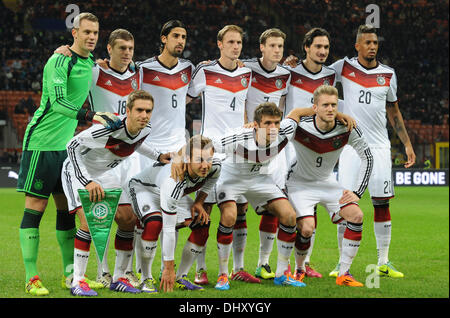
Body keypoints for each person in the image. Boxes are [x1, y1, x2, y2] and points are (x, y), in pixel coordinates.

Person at [16, 12, 121, 296]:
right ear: (74, 33)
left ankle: (69, 275)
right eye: (86, 31)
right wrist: (91, 115)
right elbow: (59, 102)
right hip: (42, 143)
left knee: (67, 211)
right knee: (35, 209)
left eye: (95, 33)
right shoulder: (59, 60)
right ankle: (31, 277)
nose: (91, 37)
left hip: (66, 148)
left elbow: (118, 67)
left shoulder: (90, 63)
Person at [54, 28, 142, 289]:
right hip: (92, 151)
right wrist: (63, 52)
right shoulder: (95, 71)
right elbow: (73, 70)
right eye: (121, 48)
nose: (126, 53)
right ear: (109, 49)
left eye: (130, 49)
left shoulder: (138, 75)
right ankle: (89, 276)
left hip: (121, 158)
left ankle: (118, 277)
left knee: (128, 218)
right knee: (93, 219)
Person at [61, 90, 170, 296]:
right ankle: (78, 281)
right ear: (127, 111)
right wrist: (87, 181)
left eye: (148, 111)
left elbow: (137, 143)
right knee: (88, 221)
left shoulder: (145, 128)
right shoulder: (109, 129)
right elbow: (72, 145)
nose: (144, 115)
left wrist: (158, 155)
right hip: (78, 171)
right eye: (139, 110)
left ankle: (119, 277)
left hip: (104, 173)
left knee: (128, 219)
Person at [330, 25, 416, 278]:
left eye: (375, 42)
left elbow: (394, 112)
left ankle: (384, 261)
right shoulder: (343, 67)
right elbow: (314, 73)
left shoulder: (388, 74)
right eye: (367, 42)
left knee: (381, 203)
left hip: (379, 147)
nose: (372, 46)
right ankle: (340, 263)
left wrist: (407, 144)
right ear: (357, 45)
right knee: (346, 204)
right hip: (350, 147)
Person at [186, 24, 256, 285]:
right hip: (210, 152)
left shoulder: (247, 73)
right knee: (204, 210)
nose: (236, 46)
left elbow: (243, 110)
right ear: (219, 44)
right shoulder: (205, 70)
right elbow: (185, 96)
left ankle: (237, 267)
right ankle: (200, 270)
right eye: (230, 42)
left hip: (237, 153)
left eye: (239, 42)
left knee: (239, 210)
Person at [286, 85, 373, 287]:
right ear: (314, 107)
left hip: (327, 182)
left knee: (356, 215)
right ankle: (299, 269)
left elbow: (367, 157)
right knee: (307, 229)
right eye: (325, 105)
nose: (331, 109)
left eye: (334, 105)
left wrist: (357, 192)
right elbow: (280, 134)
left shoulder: (347, 127)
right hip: (300, 183)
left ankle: (344, 274)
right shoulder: (300, 125)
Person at [127, 135, 221, 292]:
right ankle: (146, 278)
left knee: (202, 224)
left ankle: (181, 276)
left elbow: (211, 181)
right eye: (199, 160)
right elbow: (169, 229)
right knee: (155, 223)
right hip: (144, 189)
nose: (205, 165)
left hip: (170, 193)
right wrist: (168, 267)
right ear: (188, 159)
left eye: (208, 159)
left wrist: (199, 202)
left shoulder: (214, 166)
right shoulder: (175, 180)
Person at [284, 27, 338, 279]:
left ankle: (303, 264)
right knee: (283, 206)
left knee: (311, 204)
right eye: (318, 46)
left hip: (315, 146)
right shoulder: (289, 72)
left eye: (326, 47)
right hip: (290, 145)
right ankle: (272, 263)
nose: (323, 52)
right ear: (306, 47)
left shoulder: (330, 75)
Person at [240, 28, 291, 280]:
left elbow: (282, 107)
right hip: (246, 145)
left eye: (280, 46)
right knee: (237, 209)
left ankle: (263, 263)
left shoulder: (286, 74)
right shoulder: (246, 69)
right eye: (272, 45)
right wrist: (246, 122)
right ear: (261, 47)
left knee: (273, 206)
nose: (277, 50)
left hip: (272, 148)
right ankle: (235, 268)